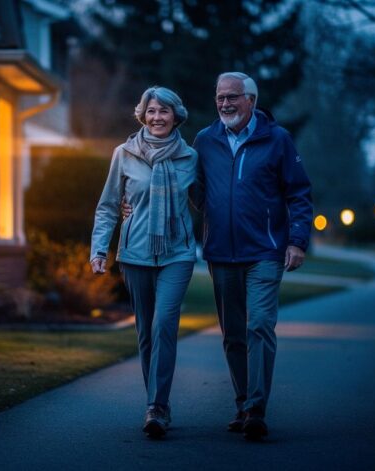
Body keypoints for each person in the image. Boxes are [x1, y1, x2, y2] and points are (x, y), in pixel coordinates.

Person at [123, 72, 313, 440]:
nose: (225, 103)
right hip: (221, 252)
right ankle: (242, 403)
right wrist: (134, 204)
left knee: (260, 324)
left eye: (232, 97)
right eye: (220, 97)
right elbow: (189, 189)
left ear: (251, 100)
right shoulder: (205, 140)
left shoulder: (277, 139)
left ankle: (256, 408)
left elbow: (299, 193)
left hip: (265, 250)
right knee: (233, 334)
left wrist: (297, 241)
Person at [90, 86, 198, 438]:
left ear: (176, 115)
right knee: (146, 333)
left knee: (164, 324)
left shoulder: (190, 157)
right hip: (135, 254)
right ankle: (155, 400)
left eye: (164, 111)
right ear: (142, 115)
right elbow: (108, 206)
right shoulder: (124, 154)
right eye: (151, 111)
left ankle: (157, 407)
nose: (157, 117)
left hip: (177, 253)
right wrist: (99, 250)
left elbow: (206, 201)